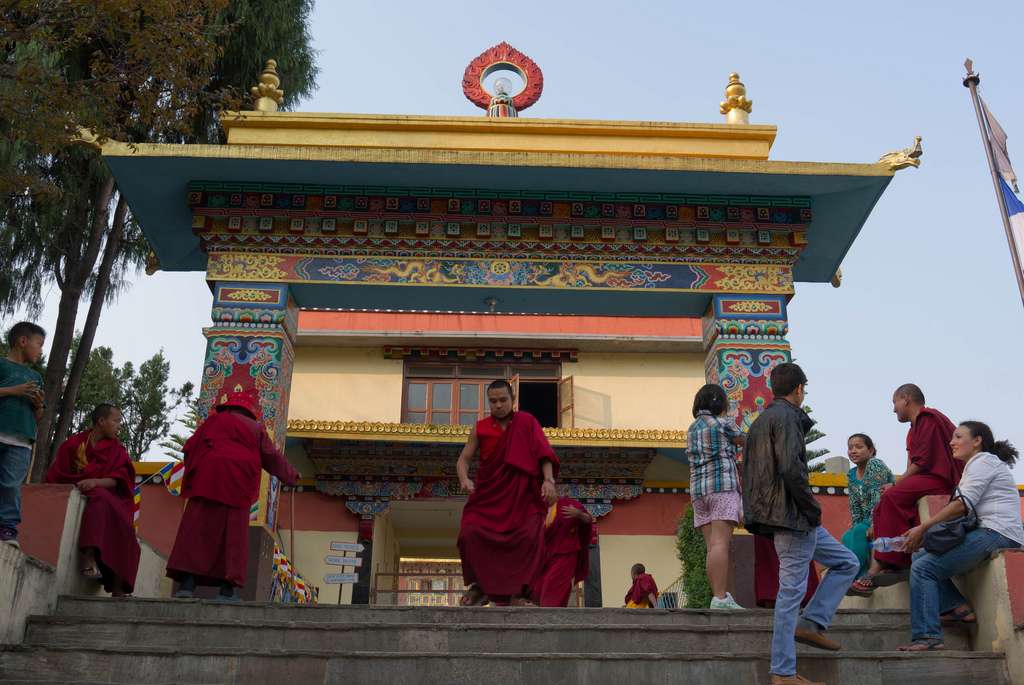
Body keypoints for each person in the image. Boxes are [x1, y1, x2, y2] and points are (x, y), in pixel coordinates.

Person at [743, 362, 859, 685]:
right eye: (803, 390)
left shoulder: (759, 422)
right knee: (790, 593)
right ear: (798, 390)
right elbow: (792, 469)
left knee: (847, 562)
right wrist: (812, 507)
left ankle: (812, 623)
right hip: (794, 517)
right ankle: (782, 672)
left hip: (788, 518)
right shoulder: (789, 417)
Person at [898, 421, 1023, 651]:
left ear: (977, 441)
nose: (951, 442)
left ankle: (928, 637)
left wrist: (923, 528)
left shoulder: (983, 462)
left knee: (923, 569)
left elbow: (961, 506)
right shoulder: (976, 465)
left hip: (998, 533)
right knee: (919, 557)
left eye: (958, 437)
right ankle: (958, 607)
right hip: (988, 531)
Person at [166, 389, 298, 601]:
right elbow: (271, 457)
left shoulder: (213, 421)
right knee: (233, 539)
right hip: (238, 485)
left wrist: (197, 473)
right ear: (249, 410)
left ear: (228, 406)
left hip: (206, 483)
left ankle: (186, 585)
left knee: (196, 534)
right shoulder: (255, 428)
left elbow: (190, 447)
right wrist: (291, 476)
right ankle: (227, 590)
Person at [850, 384, 961, 595]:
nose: (894, 409)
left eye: (895, 402)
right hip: (925, 478)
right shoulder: (913, 429)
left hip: (939, 479)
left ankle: (888, 562)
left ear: (907, 398)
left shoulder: (929, 418)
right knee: (885, 501)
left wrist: (897, 484)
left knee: (891, 495)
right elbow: (914, 463)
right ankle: (890, 558)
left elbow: (922, 462)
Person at [457, 379, 559, 606]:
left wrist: (549, 481)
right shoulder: (480, 427)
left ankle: (520, 592)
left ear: (513, 400)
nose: (498, 405)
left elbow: (544, 454)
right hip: (489, 498)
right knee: (469, 533)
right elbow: (463, 459)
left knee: (530, 536)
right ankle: (480, 586)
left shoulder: (527, 422)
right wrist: (464, 479)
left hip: (522, 498)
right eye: (493, 401)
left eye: (503, 400)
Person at [45, 404, 139, 596]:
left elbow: (118, 480)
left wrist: (94, 481)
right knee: (99, 499)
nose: (119, 426)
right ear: (101, 421)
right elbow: (57, 475)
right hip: (81, 491)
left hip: (106, 494)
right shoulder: (74, 444)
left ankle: (118, 584)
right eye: (116, 421)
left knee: (125, 527)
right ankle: (89, 557)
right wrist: (80, 483)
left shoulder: (117, 450)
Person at [686, 383, 745, 609]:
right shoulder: (724, 424)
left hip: (699, 492)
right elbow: (745, 440)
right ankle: (719, 598)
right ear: (720, 403)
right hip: (722, 487)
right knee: (721, 544)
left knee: (712, 547)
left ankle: (718, 596)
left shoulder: (692, 428)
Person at [0, 322, 46, 548]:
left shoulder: (36, 377)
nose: (41, 350)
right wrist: (13, 391)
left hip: (21, 441)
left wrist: (38, 406)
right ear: (23, 341)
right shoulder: (1, 365)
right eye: (39, 344)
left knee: (11, 485)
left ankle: (8, 529)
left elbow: (38, 416)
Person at [841, 433, 895, 578]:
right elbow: (854, 504)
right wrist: (856, 522)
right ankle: (850, 571)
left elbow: (877, 498)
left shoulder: (875, 465)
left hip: (884, 515)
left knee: (860, 531)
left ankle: (857, 574)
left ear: (871, 450)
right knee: (847, 536)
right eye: (850, 448)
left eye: (859, 447)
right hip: (866, 519)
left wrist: (873, 523)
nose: (853, 451)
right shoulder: (851, 474)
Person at [531, 496, 592, 607]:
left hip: (565, 554)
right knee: (543, 585)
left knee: (553, 584)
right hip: (546, 557)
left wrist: (579, 514)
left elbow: (588, 519)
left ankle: (549, 617)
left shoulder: (567, 504)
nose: (544, 494)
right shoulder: (538, 508)